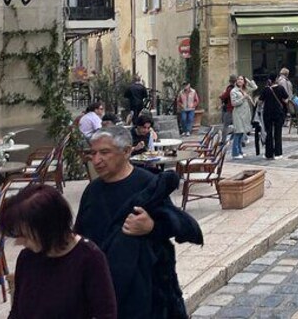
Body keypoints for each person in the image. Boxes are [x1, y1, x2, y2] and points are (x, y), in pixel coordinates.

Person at [75, 126, 203, 319]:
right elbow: (80, 234)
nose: (96, 160)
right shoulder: (92, 191)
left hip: (146, 291)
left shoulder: (148, 185)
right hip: (105, 287)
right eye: (93, 153)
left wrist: (151, 227)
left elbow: (174, 224)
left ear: (127, 151)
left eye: (104, 152)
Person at [0, 184, 117, 319]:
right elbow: (17, 312)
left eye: (25, 236)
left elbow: (105, 314)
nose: (19, 243)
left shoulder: (89, 258)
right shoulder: (27, 257)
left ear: (48, 228)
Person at [262, 74, 289, 159]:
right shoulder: (281, 88)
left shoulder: (266, 89)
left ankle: (268, 154)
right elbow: (286, 99)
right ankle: (278, 153)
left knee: (269, 133)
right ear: (276, 79)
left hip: (267, 113)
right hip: (278, 113)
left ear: (269, 80)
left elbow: (260, 101)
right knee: (278, 133)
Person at [230, 76, 256, 159]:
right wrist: (243, 97)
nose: (240, 81)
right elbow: (234, 103)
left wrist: (248, 80)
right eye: (238, 79)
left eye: (241, 79)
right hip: (238, 114)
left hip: (245, 114)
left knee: (241, 133)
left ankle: (240, 151)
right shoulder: (234, 91)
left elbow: (255, 87)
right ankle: (235, 153)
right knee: (237, 133)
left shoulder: (245, 89)